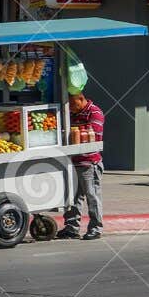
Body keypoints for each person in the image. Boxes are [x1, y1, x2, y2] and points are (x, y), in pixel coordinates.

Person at [60, 92, 104, 240]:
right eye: (69, 105)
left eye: (73, 104)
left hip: (89, 163)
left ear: (81, 99)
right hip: (73, 162)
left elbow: (93, 135)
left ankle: (96, 228)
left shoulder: (95, 112)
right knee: (73, 198)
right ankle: (71, 227)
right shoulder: (71, 114)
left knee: (92, 197)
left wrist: (73, 131)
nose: (71, 108)